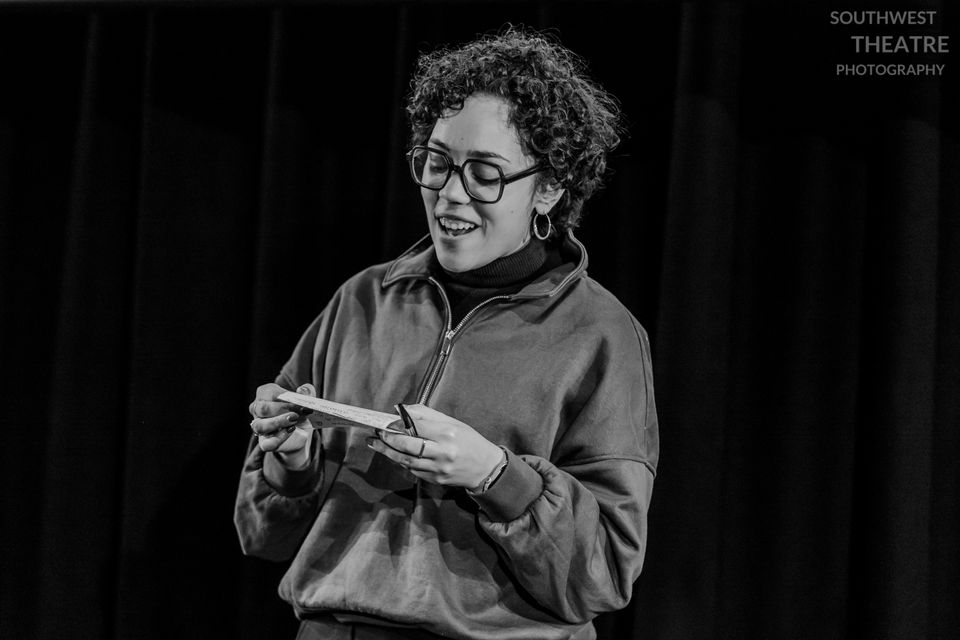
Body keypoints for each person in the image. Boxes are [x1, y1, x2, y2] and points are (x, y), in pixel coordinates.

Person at [235, 27, 659, 640]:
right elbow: (263, 536)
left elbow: (605, 573)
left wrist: (494, 475)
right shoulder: (363, 300)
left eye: (485, 173)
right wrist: (292, 462)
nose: (451, 195)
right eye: (437, 164)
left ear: (547, 189)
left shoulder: (602, 335)